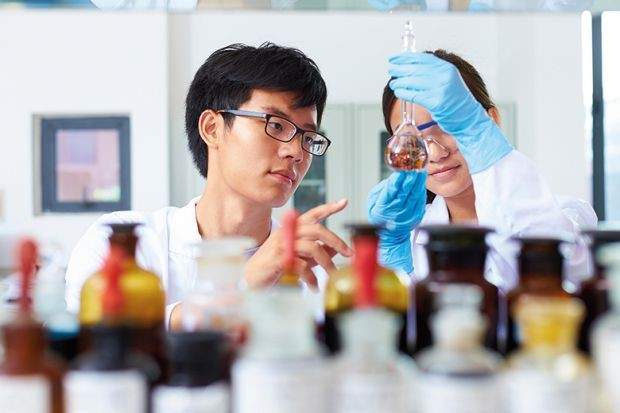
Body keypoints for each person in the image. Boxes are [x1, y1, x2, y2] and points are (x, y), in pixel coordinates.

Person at [65, 43, 353, 329]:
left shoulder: (311, 270)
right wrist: (245, 286)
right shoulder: (123, 245)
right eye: (276, 125)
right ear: (212, 129)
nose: (297, 152)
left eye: (307, 138)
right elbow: (93, 342)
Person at [368, 49, 597, 289]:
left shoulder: (567, 214)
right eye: (413, 139)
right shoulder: (409, 236)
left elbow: (562, 272)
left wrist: (479, 136)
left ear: (491, 120)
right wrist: (392, 258)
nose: (435, 153)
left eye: (447, 127)